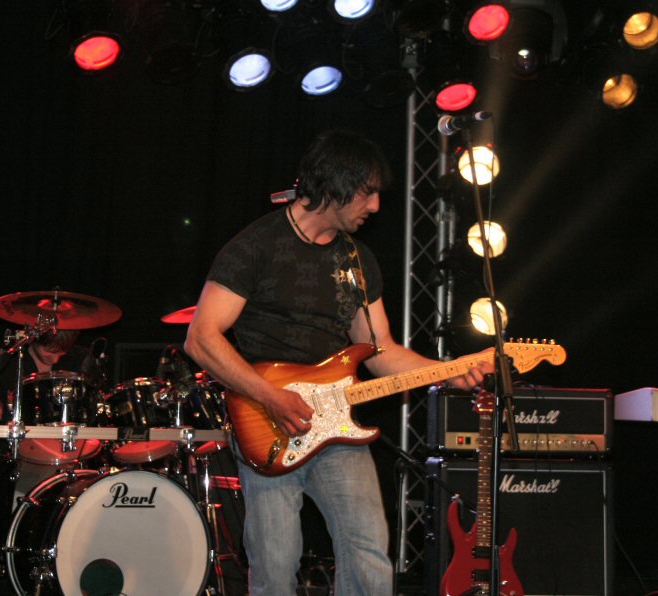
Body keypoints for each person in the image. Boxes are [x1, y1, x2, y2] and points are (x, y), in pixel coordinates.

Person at [184, 129, 492, 596]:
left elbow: (381, 352)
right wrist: (271, 396)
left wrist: (450, 370)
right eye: (368, 193)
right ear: (337, 184)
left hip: (337, 426)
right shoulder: (256, 245)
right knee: (276, 565)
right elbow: (202, 338)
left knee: (368, 552)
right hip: (267, 421)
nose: (376, 207)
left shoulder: (357, 260)